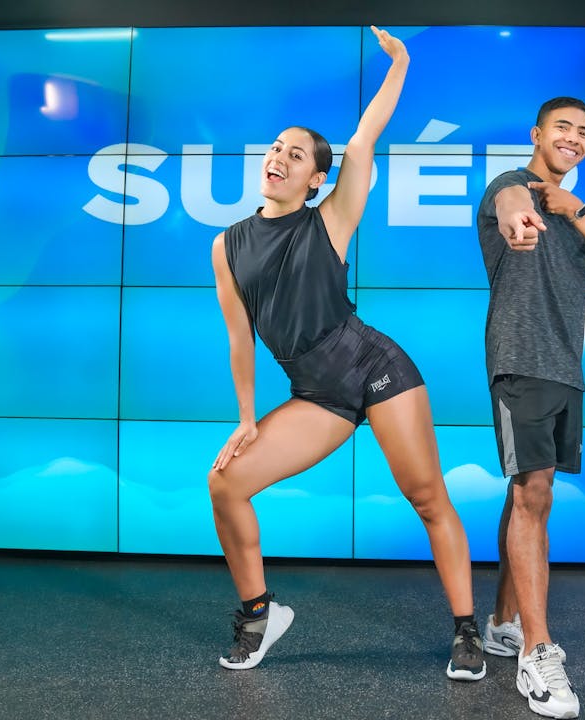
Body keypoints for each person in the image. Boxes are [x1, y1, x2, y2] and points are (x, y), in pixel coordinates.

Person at [207, 26, 485, 681]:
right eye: (276, 148)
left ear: (315, 177)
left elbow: (362, 141)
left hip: (376, 368)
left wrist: (400, 65)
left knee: (426, 498)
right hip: (317, 395)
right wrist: (247, 419)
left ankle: (467, 632)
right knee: (225, 484)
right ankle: (258, 614)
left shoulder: (328, 220)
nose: (279, 157)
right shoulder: (227, 245)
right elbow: (239, 338)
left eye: (296, 153)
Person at [476, 97, 585, 718]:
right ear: (537, 133)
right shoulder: (509, 185)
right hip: (518, 361)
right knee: (533, 492)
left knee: (526, 492)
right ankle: (537, 653)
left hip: (565, 369)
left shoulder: (575, 213)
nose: (573, 138)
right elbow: (513, 205)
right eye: (562, 128)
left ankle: (501, 623)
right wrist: (522, 217)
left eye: (584, 132)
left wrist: (579, 210)